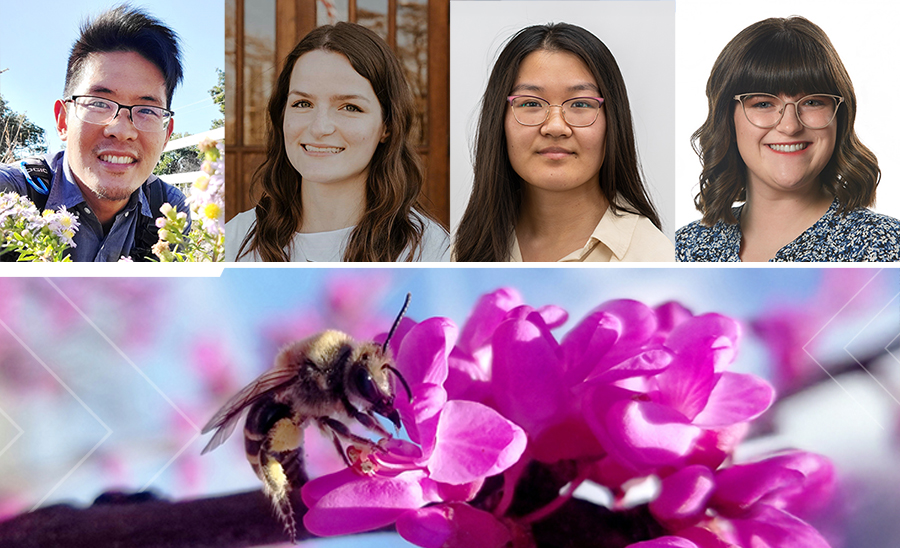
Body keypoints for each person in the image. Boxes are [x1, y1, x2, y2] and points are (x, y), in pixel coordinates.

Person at [677, 16, 900, 262]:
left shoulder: (886, 246)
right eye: (763, 103)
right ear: (727, 119)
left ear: (840, 117)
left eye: (812, 102)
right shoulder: (684, 248)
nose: (790, 126)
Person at [227, 22, 449, 262]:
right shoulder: (234, 239)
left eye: (350, 107)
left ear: (388, 125)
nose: (320, 128)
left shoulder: (431, 250)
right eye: (303, 104)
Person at [452, 23, 673, 262]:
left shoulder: (655, 257)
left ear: (613, 121)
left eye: (580, 104)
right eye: (531, 103)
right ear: (498, 120)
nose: (555, 127)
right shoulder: (466, 250)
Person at [0, 4, 190, 262]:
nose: (122, 131)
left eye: (146, 109)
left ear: (167, 133)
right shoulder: (11, 197)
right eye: (99, 103)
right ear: (63, 120)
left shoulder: (169, 212)